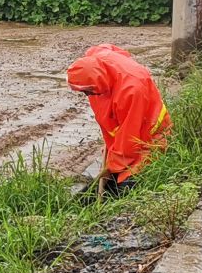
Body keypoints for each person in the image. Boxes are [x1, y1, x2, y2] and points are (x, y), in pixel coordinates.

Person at [67, 44, 172, 197]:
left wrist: (111, 167)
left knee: (126, 183)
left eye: (88, 91)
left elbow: (130, 139)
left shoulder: (131, 91)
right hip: (131, 126)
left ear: (98, 82)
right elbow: (110, 48)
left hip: (149, 135)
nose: (86, 95)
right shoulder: (97, 55)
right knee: (115, 171)